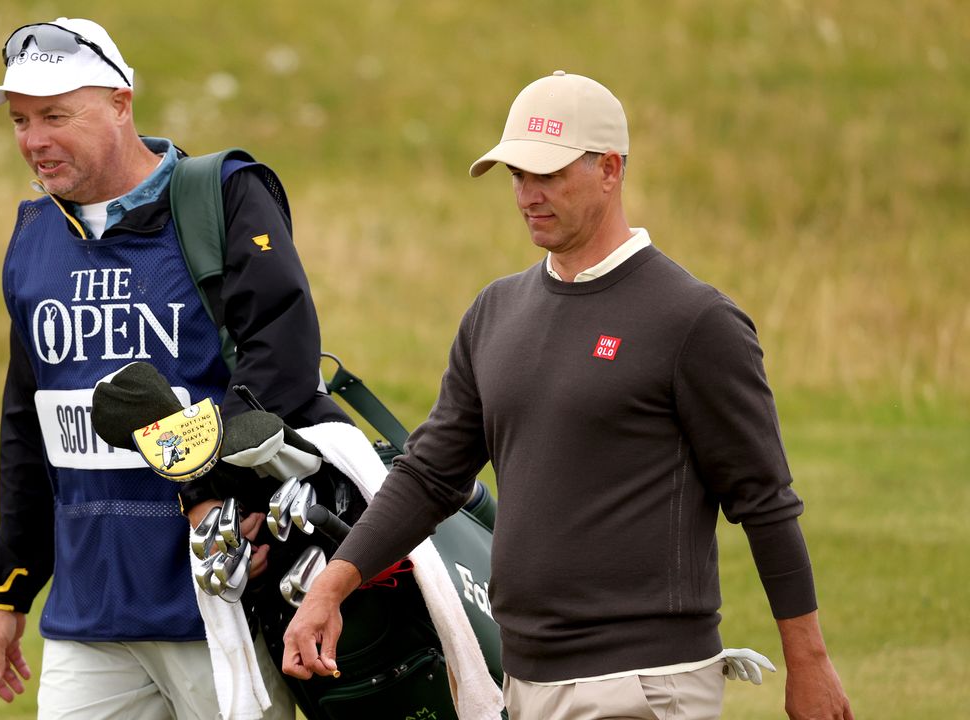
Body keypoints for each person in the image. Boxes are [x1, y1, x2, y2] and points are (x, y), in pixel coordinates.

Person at [282, 71, 854, 719]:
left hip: (646, 684)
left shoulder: (693, 322)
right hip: (524, 682)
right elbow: (430, 475)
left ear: (610, 169)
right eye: (516, 176)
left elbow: (765, 502)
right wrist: (333, 583)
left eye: (547, 175)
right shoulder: (495, 312)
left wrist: (808, 662)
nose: (527, 194)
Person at [0, 17, 346, 719]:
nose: (34, 140)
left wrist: (219, 498)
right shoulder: (33, 235)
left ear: (120, 101)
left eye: (55, 115)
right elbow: (31, 424)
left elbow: (280, 364)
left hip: (217, 601)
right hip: (89, 616)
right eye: (20, 120)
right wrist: (7, 590)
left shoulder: (224, 196)